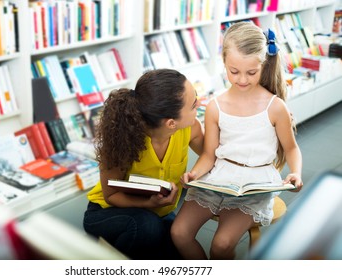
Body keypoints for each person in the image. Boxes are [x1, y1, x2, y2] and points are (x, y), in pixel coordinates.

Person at [171, 22, 304, 260]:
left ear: (264, 66)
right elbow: (209, 155)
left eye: (251, 73)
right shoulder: (215, 106)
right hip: (219, 179)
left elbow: (292, 148)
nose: (242, 79)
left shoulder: (275, 107)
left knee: (221, 244)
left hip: (256, 184)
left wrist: (296, 173)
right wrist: (194, 174)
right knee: (179, 232)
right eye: (234, 71)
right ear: (224, 63)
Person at [83, 69, 204, 259]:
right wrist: (147, 203)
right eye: (193, 105)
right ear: (171, 123)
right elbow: (111, 195)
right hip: (108, 213)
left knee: (179, 242)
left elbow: (212, 153)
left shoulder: (189, 129)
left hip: (156, 214)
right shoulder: (123, 138)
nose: (199, 107)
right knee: (148, 228)